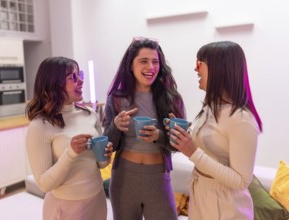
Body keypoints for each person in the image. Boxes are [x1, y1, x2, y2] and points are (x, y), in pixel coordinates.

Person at [169, 41, 263, 220]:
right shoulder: (211, 107)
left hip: (226, 207)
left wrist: (193, 152)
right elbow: (211, 146)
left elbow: (241, 181)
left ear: (220, 69)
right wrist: (184, 135)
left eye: (200, 64)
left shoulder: (241, 119)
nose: (195, 69)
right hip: (201, 196)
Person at [103, 37, 186, 220]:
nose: (151, 67)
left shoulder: (172, 99)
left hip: (158, 178)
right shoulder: (116, 98)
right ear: (130, 65)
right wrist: (116, 126)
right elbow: (108, 144)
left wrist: (159, 136)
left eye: (155, 62)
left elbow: (180, 144)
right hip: (124, 177)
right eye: (143, 61)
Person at [25, 57, 113, 220]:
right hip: (65, 208)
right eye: (73, 77)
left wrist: (105, 156)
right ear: (54, 83)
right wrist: (71, 153)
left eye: (79, 75)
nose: (80, 81)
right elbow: (44, 184)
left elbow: (101, 164)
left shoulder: (90, 114)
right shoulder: (39, 126)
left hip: (97, 200)